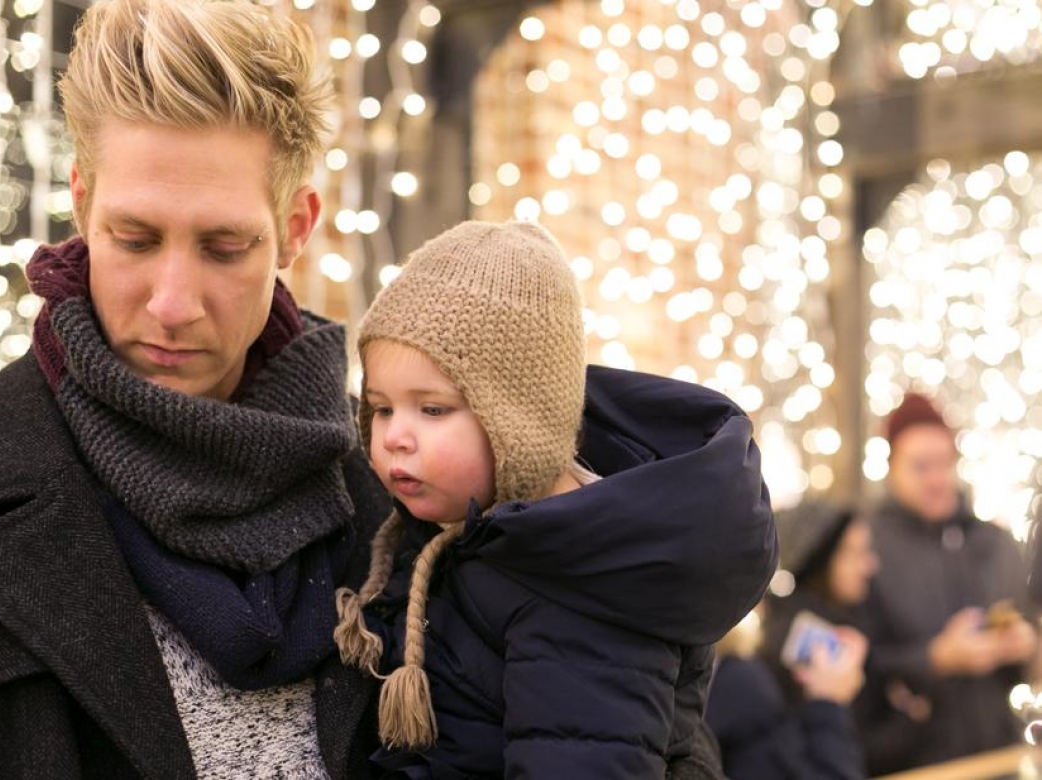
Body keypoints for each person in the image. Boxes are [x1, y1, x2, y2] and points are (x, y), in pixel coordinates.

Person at [0, 1, 391, 778]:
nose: (172, 304)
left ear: (295, 227)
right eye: (136, 239)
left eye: (224, 247)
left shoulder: (401, 504)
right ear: (81, 204)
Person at [332, 219, 778, 778]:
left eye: (433, 409)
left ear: (516, 423)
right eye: (381, 407)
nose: (394, 435)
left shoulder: (580, 589)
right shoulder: (464, 533)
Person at [855, 392, 1038, 775]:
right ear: (892, 468)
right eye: (921, 467)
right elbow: (857, 662)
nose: (937, 479)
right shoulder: (864, 547)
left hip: (997, 756)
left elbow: (1025, 642)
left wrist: (1024, 645)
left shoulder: (995, 542)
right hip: (912, 763)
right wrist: (935, 659)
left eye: (944, 463)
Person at [706, 499, 875, 780]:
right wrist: (829, 701)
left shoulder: (855, 622)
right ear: (820, 559)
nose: (869, 565)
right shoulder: (793, 645)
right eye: (854, 553)